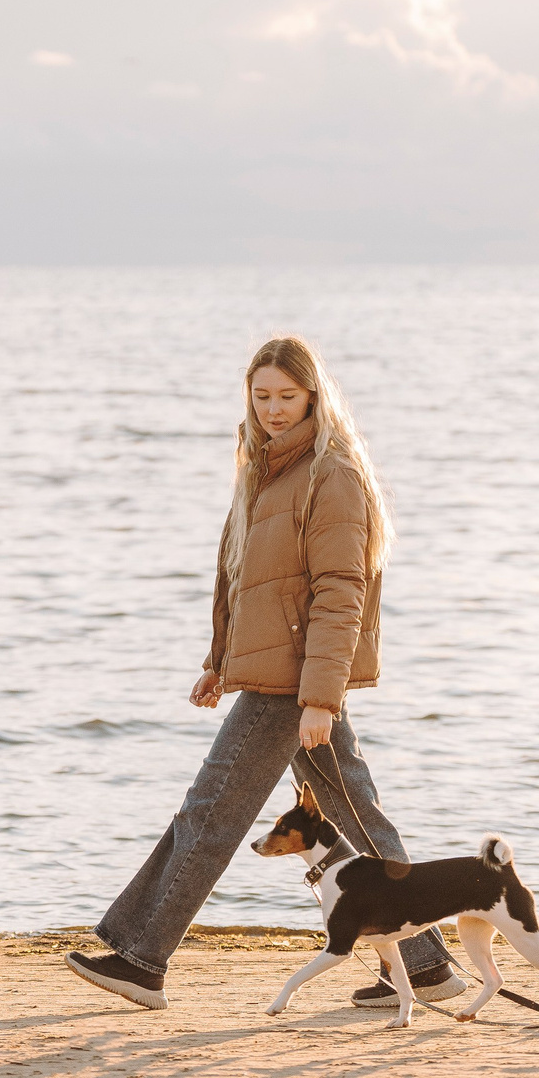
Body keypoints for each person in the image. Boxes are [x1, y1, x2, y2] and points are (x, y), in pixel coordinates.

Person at [67, 334, 462, 1010]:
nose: (274, 409)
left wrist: (319, 699)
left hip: (296, 684)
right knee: (354, 816)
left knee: (211, 811)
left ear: (313, 395)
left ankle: (141, 956)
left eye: (287, 396)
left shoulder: (328, 473)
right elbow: (247, 578)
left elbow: (341, 592)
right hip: (284, 675)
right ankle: (424, 968)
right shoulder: (268, 467)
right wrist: (221, 663)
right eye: (262, 396)